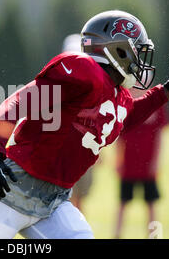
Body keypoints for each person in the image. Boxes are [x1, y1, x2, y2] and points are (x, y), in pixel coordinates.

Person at [0, 10, 169, 239]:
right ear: (118, 50)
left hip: (54, 202)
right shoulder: (83, 72)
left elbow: (125, 117)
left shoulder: (118, 95)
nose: (141, 60)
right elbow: (15, 105)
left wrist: (168, 90)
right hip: (12, 189)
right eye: (137, 51)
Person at [113, 88, 169, 239]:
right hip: (129, 161)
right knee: (123, 202)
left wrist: (156, 161)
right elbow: (118, 135)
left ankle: (154, 236)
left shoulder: (156, 103)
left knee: (151, 202)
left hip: (147, 162)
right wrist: (118, 160)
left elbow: (159, 135)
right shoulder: (125, 101)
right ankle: (117, 235)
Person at [62, 33, 96, 211]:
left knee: (79, 199)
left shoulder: (93, 87)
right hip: (62, 154)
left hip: (83, 152)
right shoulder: (58, 85)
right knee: (62, 200)